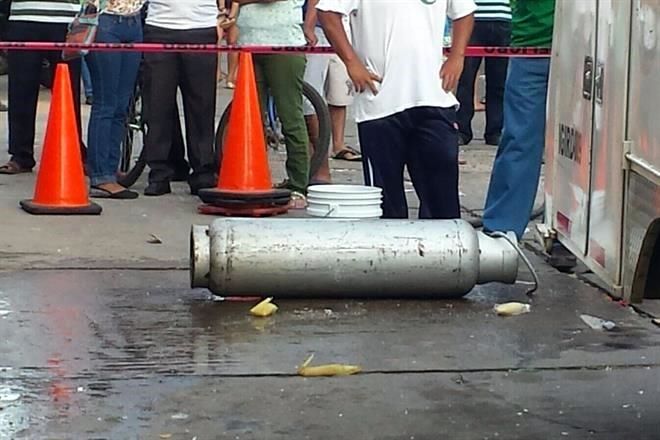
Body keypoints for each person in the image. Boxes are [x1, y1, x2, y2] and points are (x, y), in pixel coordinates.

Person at [317, 0, 476, 219]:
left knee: (443, 205)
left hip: (433, 97)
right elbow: (327, 12)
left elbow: (465, 11)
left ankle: (440, 242)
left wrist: (457, 56)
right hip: (380, 104)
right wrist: (352, 62)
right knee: (386, 208)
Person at [482, 0, 556, 239]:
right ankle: (502, 229)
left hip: (588, 43)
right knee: (521, 140)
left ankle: (570, 230)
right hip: (534, 46)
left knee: (585, 149)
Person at [142, 0, 219, 196]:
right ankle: (159, 172)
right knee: (158, 104)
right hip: (159, 26)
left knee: (201, 105)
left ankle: (203, 171)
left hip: (201, 26)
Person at [235, 0, 310, 198]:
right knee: (250, 121)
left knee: (290, 117)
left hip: (283, 43)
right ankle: (252, 177)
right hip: (248, 42)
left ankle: (298, 185)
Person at [0, 0, 82, 175]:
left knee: (68, 91)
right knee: (21, 90)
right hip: (24, 16)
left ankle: (74, 151)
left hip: (68, 19)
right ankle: (20, 155)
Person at [87, 0, 145, 199]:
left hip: (134, 20)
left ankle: (110, 169)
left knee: (121, 105)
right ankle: (100, 175)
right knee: (106, 103)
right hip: (105, 18)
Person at [303, 0, 358, 185]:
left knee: (333, 96)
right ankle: (320, 161)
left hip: (333, 25)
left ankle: (331, 152)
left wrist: (309, 24)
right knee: (312, 100)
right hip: (327, 25)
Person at [456, 0, 511, 146]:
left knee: (499, 80)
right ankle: (462, 129)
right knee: (466, 78)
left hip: (503, 17)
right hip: (471, 16)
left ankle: (495, 131)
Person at [218, 0, 239, 89]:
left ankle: (231, 77)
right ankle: (217, 73)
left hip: (235, 8)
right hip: (217, 10)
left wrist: (231, 16)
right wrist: (222, 9)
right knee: (217, 40)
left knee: (233, 42)